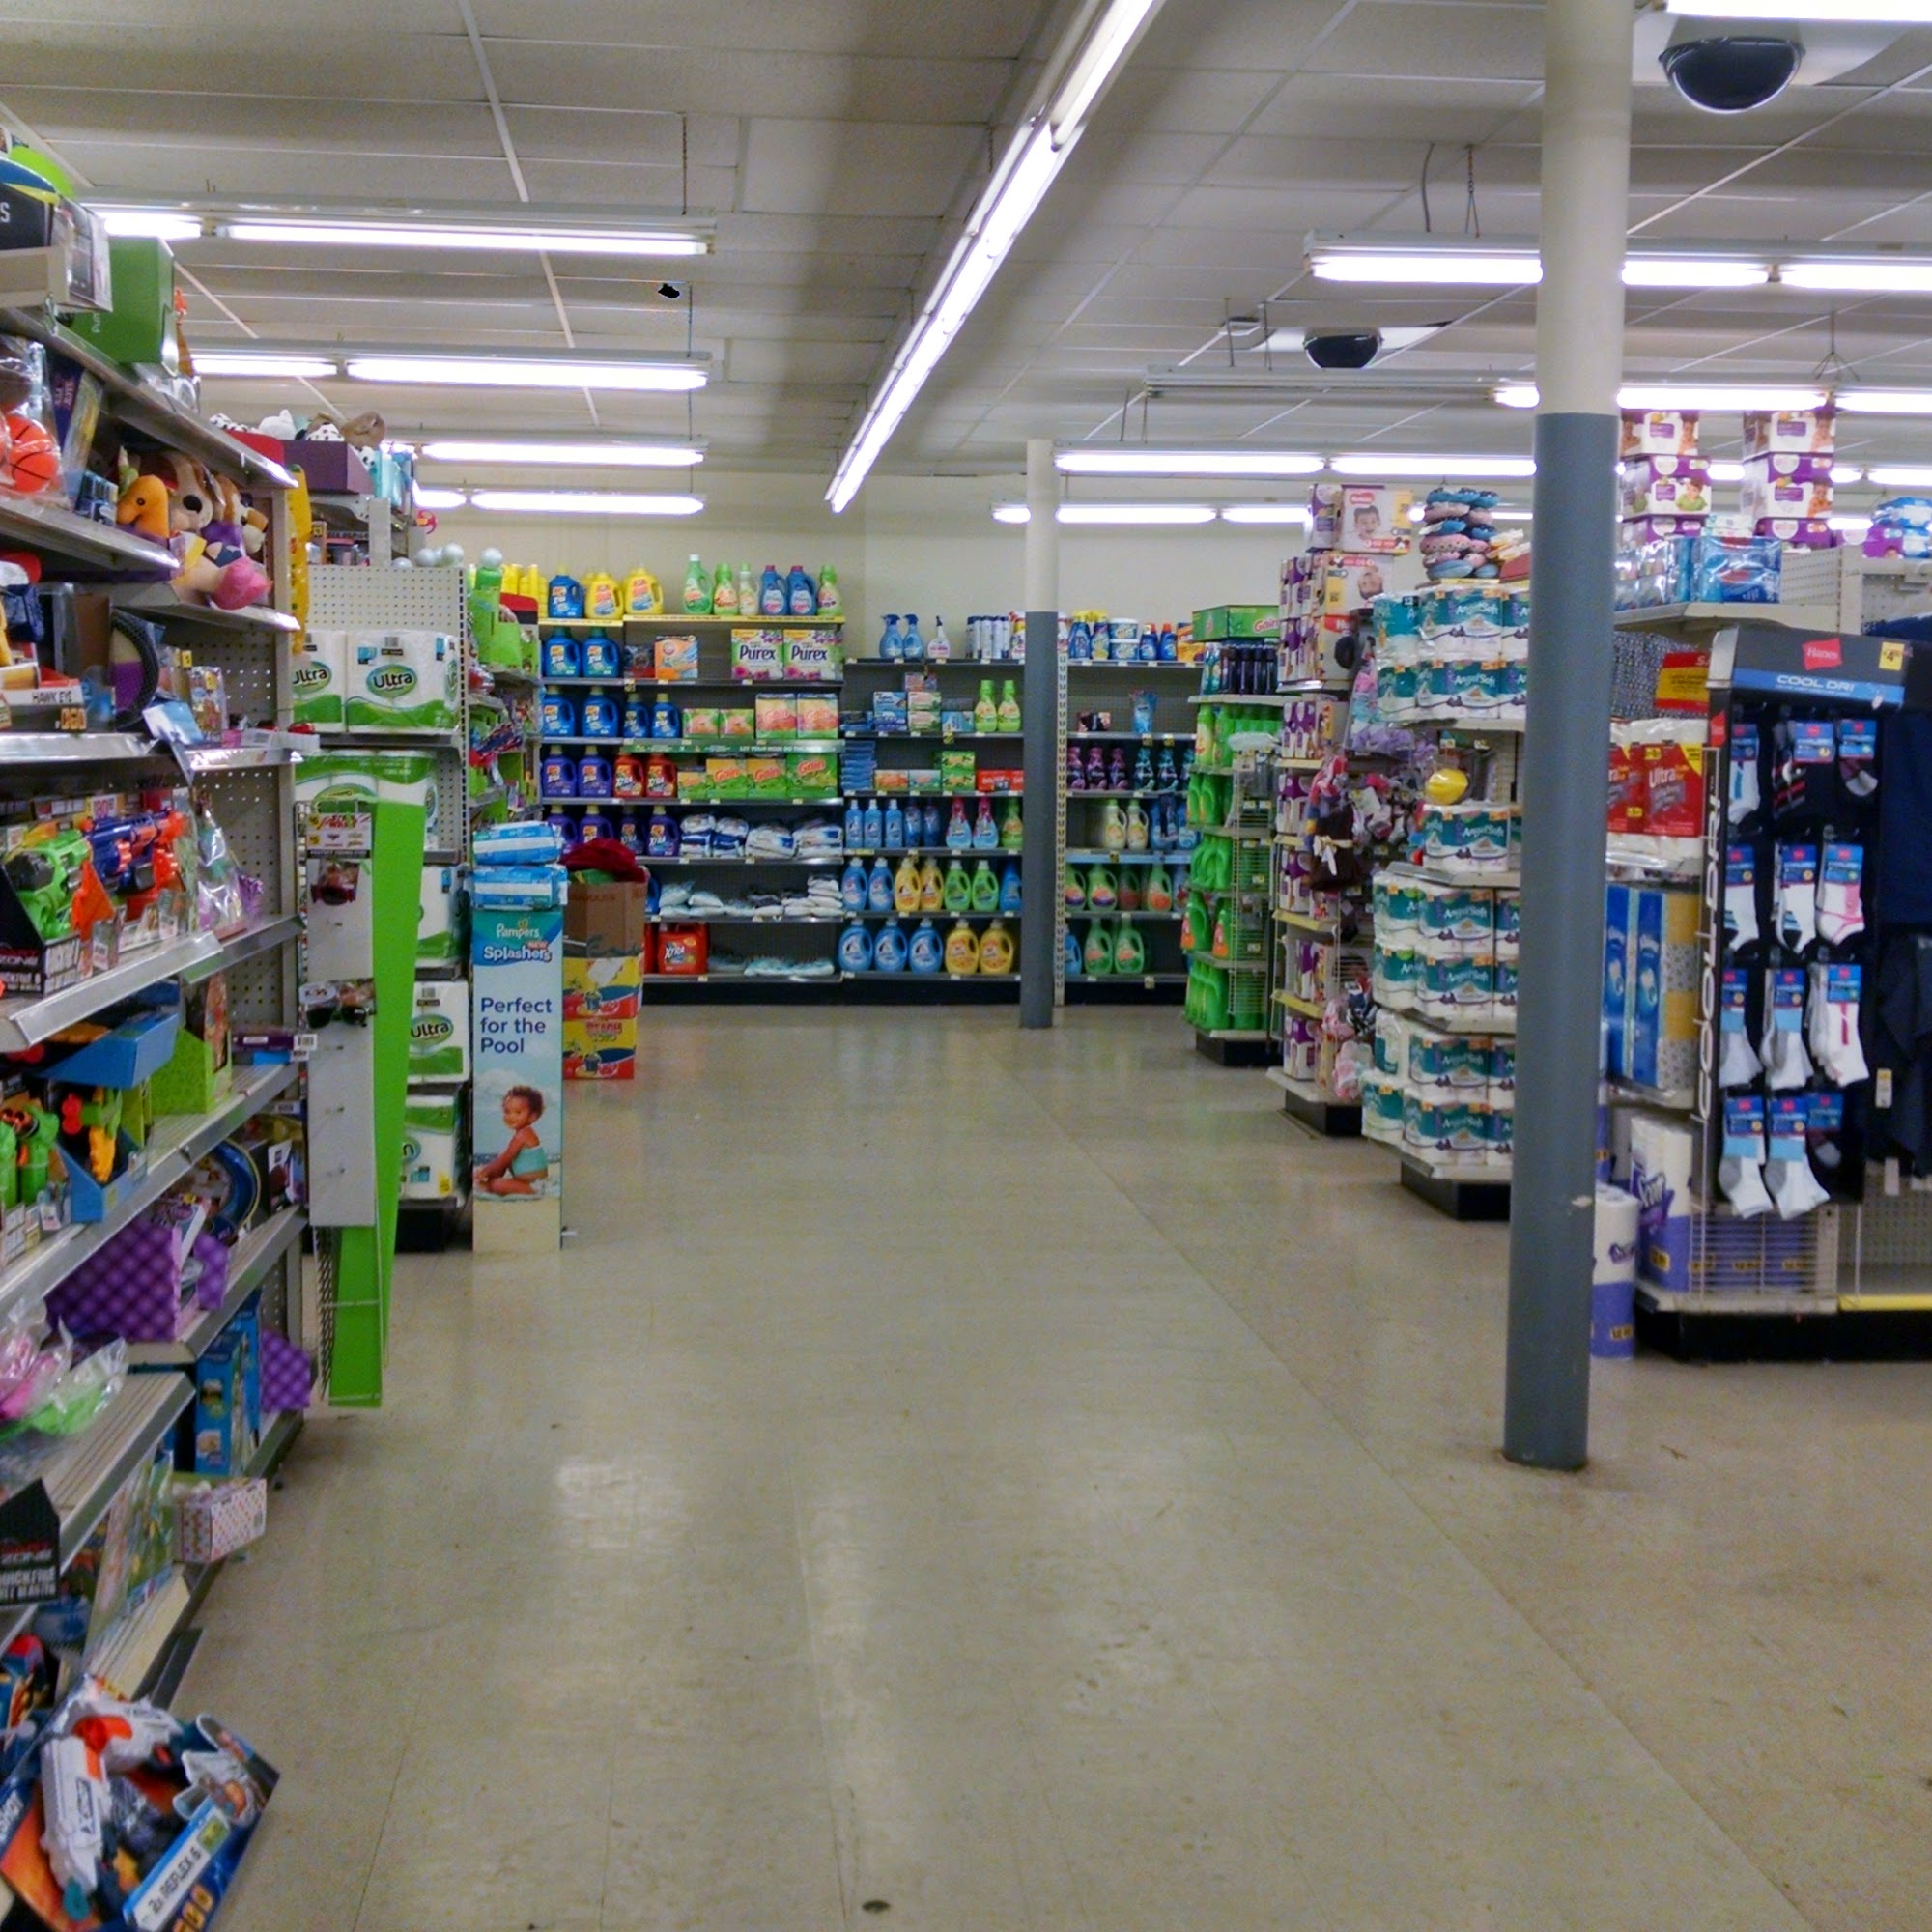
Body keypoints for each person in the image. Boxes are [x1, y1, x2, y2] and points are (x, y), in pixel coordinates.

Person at [473, 1085, 548, 1196]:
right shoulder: (520, 1134)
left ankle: (486, 1185)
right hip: (522, 1183)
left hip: (534, 1186)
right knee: (502, 1159)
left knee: (497, 1183)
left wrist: (486, 1171)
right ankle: (485, 1180)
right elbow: (504, 1160)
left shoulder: (525, 1134)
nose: (511, 1116)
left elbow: (505, 1158)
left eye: (518, 1112)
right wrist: (486, 1172)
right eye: (507, 1112)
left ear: (532, 1116)